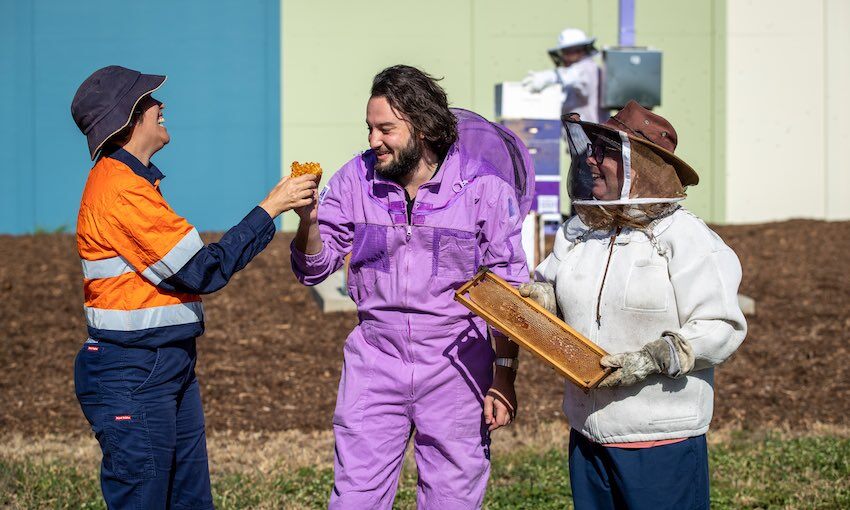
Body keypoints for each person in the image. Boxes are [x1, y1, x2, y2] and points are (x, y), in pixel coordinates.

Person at [70, 65, 318, 509]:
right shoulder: (122, 191)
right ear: (128, 118)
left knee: (188, 500)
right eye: (149, 100)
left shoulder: (132, 183)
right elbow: (203, 270)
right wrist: (271, 207)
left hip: (162, 363)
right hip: (134, 370)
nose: (160, 105)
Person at [290, 65, 530, 509]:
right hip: (375, 360)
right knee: (355, 496)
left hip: (456, 365)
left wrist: (504, 375)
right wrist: (308, 221)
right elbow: (314, 270)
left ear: (423, 129)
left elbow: (510, 294)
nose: (373, 140)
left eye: (386, 129)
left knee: (451, 498)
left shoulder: (483, 189)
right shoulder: (354, 180)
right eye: (369, 128)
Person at [519, 101, 747, 509]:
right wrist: (544, 300)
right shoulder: (580, 232)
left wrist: (658, 356)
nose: (590, 160)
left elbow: (721, 325)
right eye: (591, 149)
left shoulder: (686, 237)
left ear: (639, 165)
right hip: (588, 434)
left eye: (604, 152)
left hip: (661, 440)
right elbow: (552, 287)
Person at [521, 27, 607, 123]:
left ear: (579, 50)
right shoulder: (579, 70)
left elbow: (572, 76)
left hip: (590, 130)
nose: (563, 56)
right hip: (578, 130)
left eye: (567, 52)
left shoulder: (587, 67)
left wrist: (548, 77)